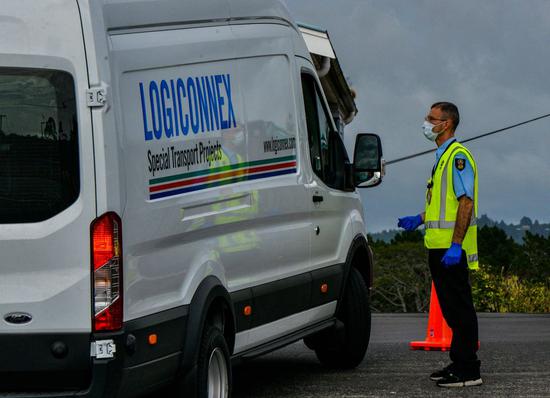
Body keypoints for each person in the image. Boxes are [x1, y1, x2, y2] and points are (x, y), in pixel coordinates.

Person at [398, 102, 482, 388]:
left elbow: (465, 202)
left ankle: (469, 370)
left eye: (431, 118)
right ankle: (459, 362)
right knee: (451, 310)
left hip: (450, 249)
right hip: (438, 247)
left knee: (460, 309)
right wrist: (419, 219)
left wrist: (456, 245)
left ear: (446, 124)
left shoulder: (458, 157)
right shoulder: (442, 158)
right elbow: (441, 207)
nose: (426, 122)